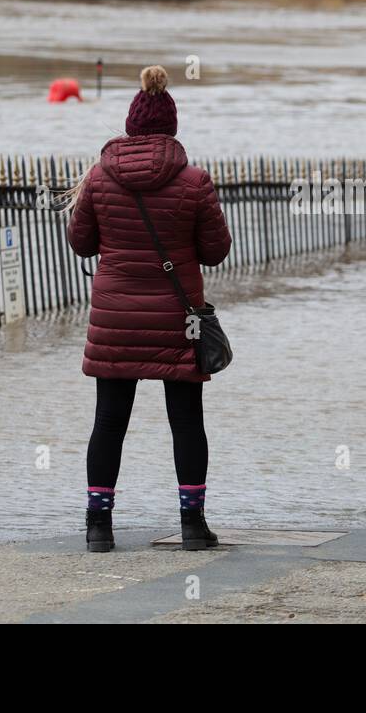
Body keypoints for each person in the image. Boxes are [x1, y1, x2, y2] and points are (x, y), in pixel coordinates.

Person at [65, 65, 232, 554]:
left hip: (116, 319)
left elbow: (80, 243)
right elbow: (216, 250)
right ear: (172, 129)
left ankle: (99, 528)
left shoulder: (98, 178)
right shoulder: (195, 180)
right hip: (176, 322)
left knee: (108, 422)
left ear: (130, 126)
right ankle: (193, 527)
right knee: (187, 422)